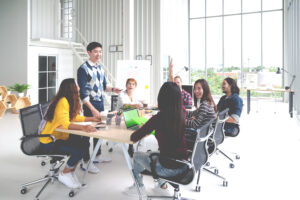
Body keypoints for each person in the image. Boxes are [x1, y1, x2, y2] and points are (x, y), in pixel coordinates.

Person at [124, 82, 188, 197]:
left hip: (168, 168)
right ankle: (161, 182)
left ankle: (138, 186)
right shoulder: (182, 111)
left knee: (138, 155)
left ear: (162, 98)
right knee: (151, 153)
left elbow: (134, 137)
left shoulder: (159, 118)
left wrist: (143, 128)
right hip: (184, 165)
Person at [39, 78, 101, 189]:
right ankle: (65, 174)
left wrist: (90, 118)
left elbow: (73, 118)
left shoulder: (66, 100)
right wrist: (84, 127)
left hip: (58, 137)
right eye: (77, 84)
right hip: (49, 140)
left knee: (84, 144)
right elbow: (66, 124)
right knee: (77, 150)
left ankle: (70, 171)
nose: (79, 86)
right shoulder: (63, 101)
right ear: (71, 87)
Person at [77, 42, 121, 166]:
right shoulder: (83, 69)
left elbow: (104, 86)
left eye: (100, 51)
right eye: (95, 51)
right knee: (87, 132)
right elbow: (83, 92)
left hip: (100, 103)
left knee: (99, 130)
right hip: (89, 104)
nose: (98, 54)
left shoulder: (100, 67)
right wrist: (91, 108)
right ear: (89, 52)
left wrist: (113, 89)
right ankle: (85, 160)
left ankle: (97, 155)